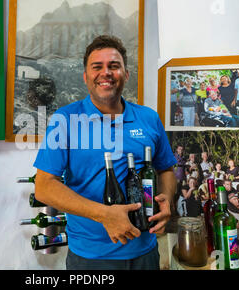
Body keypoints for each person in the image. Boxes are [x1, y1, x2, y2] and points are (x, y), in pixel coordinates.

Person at [33, 35, 177, 270]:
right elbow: (44, 186)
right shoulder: (65, 119)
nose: (106, 73)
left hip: (146, 252)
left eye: (114, 66)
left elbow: (166, 170)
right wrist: (104, 215)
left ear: (126, 74)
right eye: (97, 67)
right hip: (90, 259)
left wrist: (167, 201)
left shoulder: (149, 118)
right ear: (86, 76)